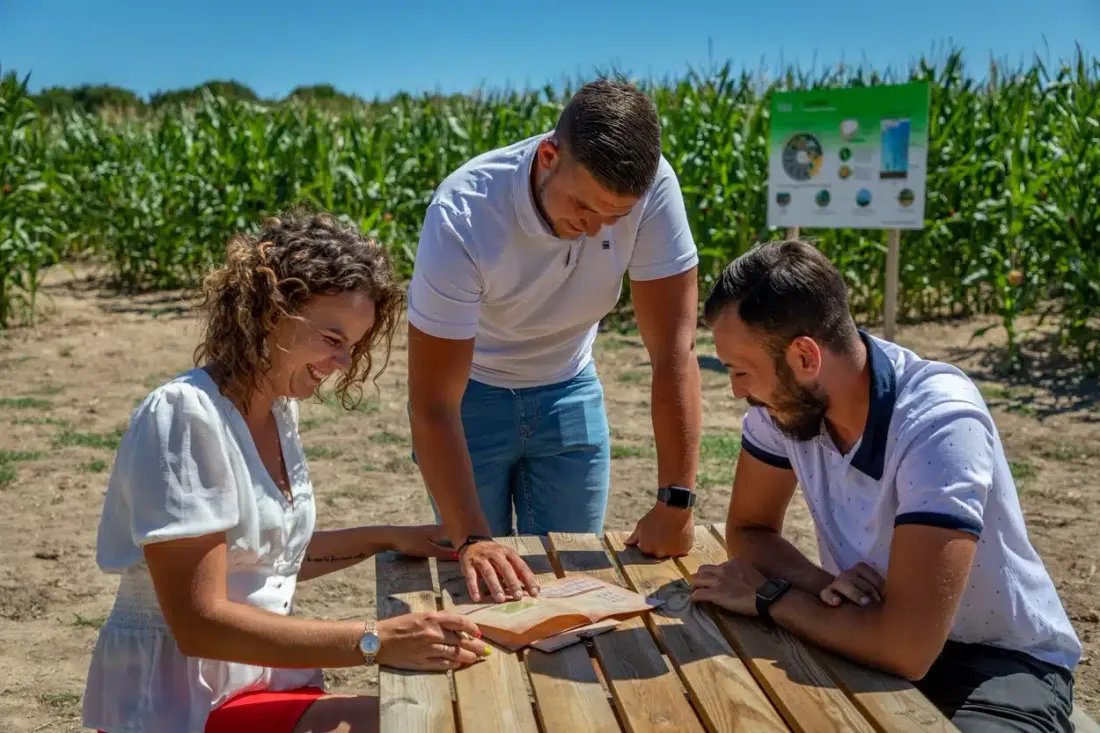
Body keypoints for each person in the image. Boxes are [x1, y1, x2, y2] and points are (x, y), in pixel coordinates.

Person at [82, 210, 491, 733]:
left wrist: (388, 537)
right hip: (179, 707)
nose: (343, 362)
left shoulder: (276, 406)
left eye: (354, 344)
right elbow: (198, 624)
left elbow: (259, 560)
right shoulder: (184, 417)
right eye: (331, 337)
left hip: (252, 683)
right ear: (269, 311)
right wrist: (376, 639)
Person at [688, 239, 1081, 732]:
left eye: (741, 371)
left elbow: (907, 650)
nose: (738, 390)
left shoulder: (938, 422)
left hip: (997, 663)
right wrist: (823, 588)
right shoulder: (783, 407)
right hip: (868, 632)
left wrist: (773, 599)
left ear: (805, 357)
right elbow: (749, 530)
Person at [405, 77, 703, 604]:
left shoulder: (654, 188)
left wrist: (676, 502)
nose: (595, 230)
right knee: (482, 591)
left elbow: (674, 353)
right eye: (583, 207)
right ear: (548, 156)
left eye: (615, 216)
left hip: (570, 389)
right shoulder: (463, 215)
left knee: (567, 592)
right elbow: (432, 403)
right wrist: (473, 540)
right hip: (471, 399)